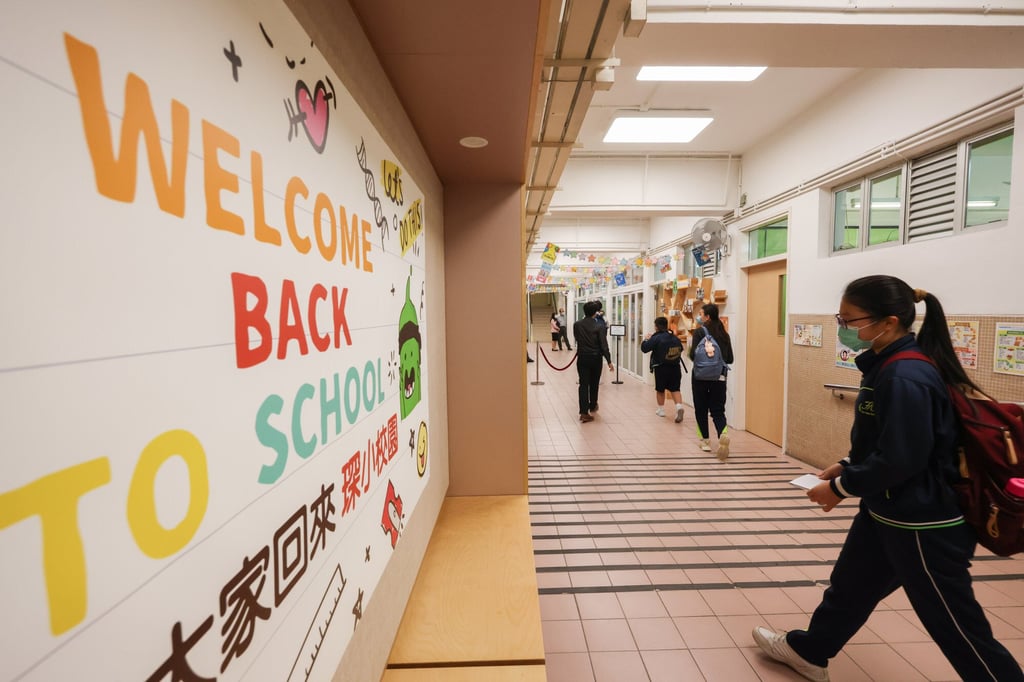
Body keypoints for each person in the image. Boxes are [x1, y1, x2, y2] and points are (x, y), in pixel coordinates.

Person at [752, 275, 1024, 682]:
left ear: (889, 322)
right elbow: (896, 437)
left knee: (955, 623)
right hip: (887, 510)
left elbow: (903, 458)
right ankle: (809, 651)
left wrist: (840, 488)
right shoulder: (888, 364)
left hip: (922, 522)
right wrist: (848, 464)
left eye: (849, 320)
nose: (844, 328)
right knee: (851, 586)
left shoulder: (905, 375)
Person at [687, 303, 733, 460]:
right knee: (718, 410)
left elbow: (693, 355)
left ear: (707, 317)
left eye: (700, 314)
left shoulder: (700, 332)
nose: (699, 317)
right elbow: (730, 359)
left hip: (700, 377)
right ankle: (723, 434)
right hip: (719, 377)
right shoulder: (724, 334)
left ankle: (705, 441)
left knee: (701, 409)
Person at [573, 300, 613, 423]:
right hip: (596, 358)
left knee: (583, 384)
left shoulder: (577, 324)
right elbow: (603, 345)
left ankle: (584, 412)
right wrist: (609, 360)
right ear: (595, 313)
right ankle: (593, 404)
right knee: (594, 383)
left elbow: (577, 338)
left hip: (582, 357)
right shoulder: (599, 326)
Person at [641, 317, 685, 422]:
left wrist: (646, 339)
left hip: (661, 367)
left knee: (660, 389)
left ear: (656, 326)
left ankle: (661, 410)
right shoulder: (674, 337)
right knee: (675, 389)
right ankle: (679, 407)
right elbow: (681, 349)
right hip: (675, 367)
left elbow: (645, 348)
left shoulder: (656, 337)